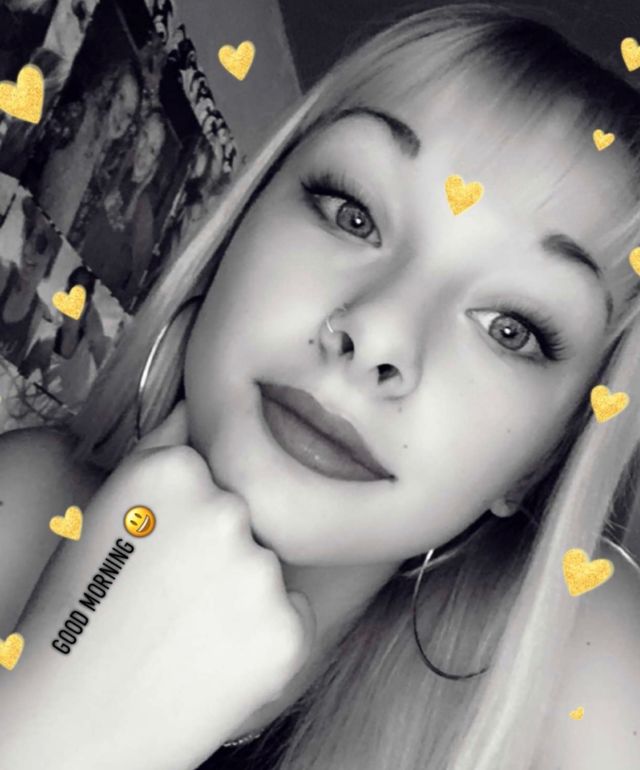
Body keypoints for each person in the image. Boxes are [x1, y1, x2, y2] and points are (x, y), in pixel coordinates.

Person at [1, 6, 640, 770]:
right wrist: (62, 724)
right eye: (353, 213)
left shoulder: (583, 680)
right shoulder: (23, 505)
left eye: (511, 328)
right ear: (235, 234)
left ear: (538, 464)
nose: (379, 334)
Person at [31, 60, 142, 236]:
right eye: (121, 97)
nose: (121, 116)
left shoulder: (107, 170)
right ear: (109, 91)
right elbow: (31, 156)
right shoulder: (78, 116)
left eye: (129, 114)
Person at [79, 109, 167, 309]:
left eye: (152, 150)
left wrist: (110, 305)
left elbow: (137, 278)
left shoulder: (144, 208)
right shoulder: (119, 174)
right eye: (144, 136)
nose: (143, 152)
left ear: (156, 162)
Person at [21, 265, 111, 409]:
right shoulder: (45, 344)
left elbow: (106, 380)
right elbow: (19, 378)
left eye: (83, 295)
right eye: (72, 291)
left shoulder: (94, 338)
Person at [0, 197, 58, 369]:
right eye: (29, 232)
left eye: (41, 243)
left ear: (52, 257)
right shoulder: (3, 273)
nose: (28, 249)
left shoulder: (40, 321)